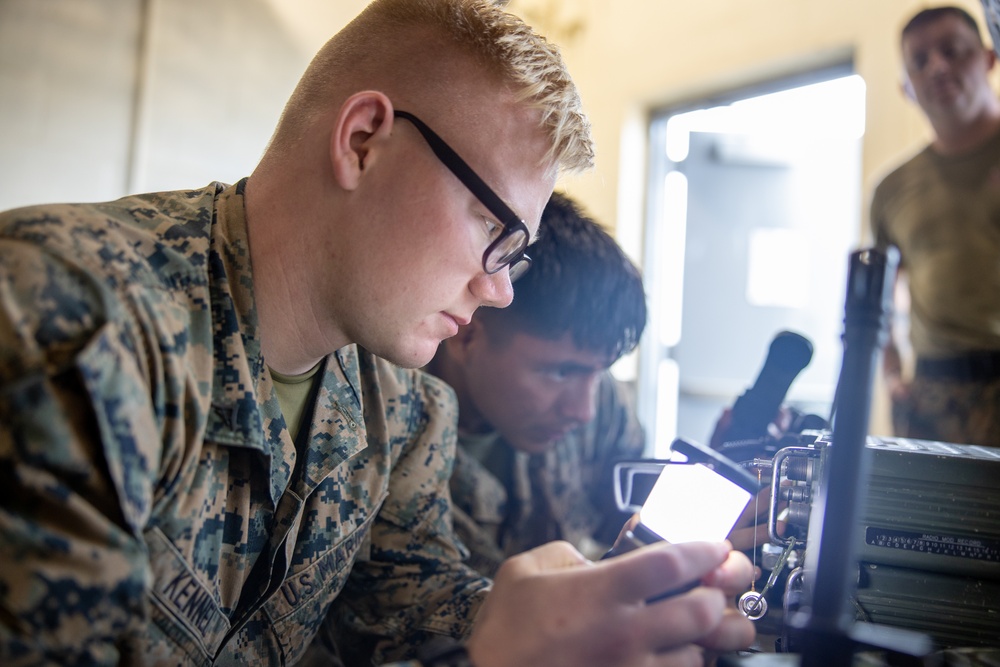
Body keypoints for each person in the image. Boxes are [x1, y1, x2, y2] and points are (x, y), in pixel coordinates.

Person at [0, 0, 755, 665]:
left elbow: (409, 619)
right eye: (493, 228)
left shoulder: (403, 410)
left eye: (515, 256)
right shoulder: (69, 316)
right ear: (363, 140)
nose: (497, 289)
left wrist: (581, 616)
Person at [425, 191, 647, 575]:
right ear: (467, 337)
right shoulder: (380, 419)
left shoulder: (604, 402)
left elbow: (627, 522)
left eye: (601, 369)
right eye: (561, 372)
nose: (583, 410)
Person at [869, 5, 1000, 448]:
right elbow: (877, 301)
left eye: (952, 50)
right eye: (919, 61)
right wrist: (891, 377)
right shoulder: (892, 190)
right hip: (933, 399)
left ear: (988, 58)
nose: (938, 67)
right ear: (906, 87)